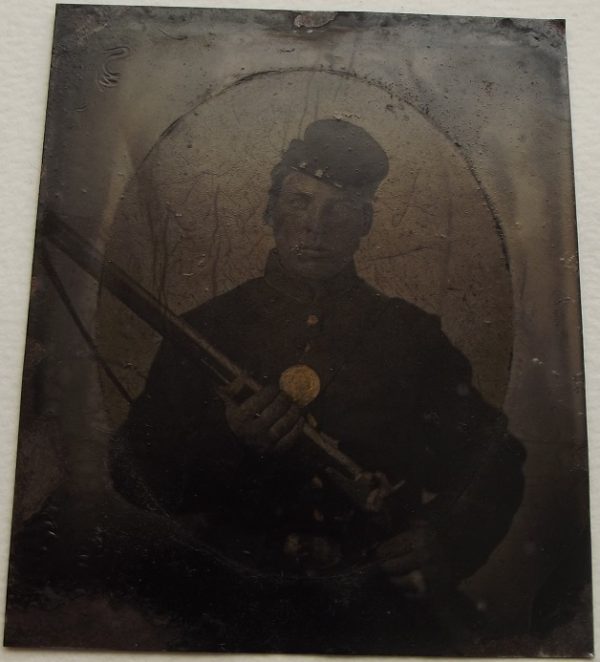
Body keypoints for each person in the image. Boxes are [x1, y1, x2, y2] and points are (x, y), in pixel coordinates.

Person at [109, 119, 525, 653]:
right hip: (224, 602)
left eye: (340, 210)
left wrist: (441, 539)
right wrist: (224, 438)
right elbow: (129, 470)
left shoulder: (410, 337)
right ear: (270, 210)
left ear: (365, 224)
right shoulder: (205, 330)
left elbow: (495, 460)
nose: (314, 228)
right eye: (300, 202)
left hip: (370, 604)